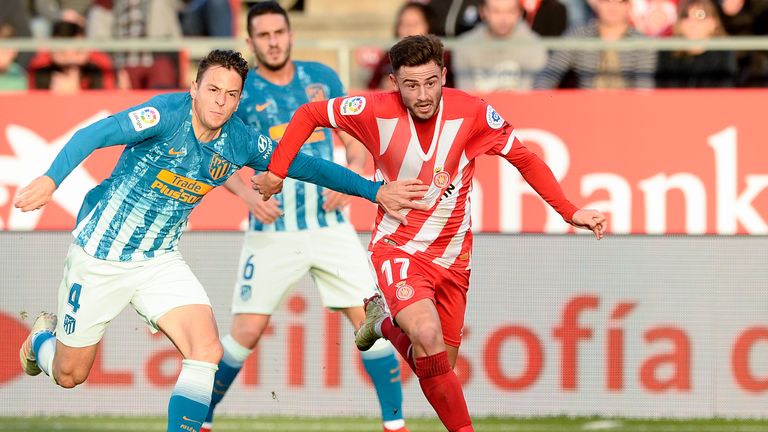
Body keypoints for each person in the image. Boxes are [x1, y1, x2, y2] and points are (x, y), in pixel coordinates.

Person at [15, 49, 427, 432]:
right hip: (101, 257)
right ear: (194, 88)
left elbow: (308, 164)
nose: (220, 102)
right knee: (71, 375)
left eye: (231, 95)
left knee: (206, 350)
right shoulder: (164, 115)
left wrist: (374, 191)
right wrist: (51, 179)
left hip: (159, 260)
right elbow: (95, 134)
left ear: (238, 100)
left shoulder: (240, 140)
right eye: (212, 90)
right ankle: (40, 341)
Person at [253, 34, 607, 432]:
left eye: (430, 82)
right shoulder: (373, 111)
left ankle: (384, 323)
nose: (422, 95)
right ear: (393, 82)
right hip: (398, 247)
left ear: (443, 74)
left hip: (454, 257)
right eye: (410, 85)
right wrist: (277, 172)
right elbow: (309, 114)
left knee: (436, 366)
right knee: (425, 332)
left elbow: (523, 157)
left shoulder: (472, 113)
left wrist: (570, 211)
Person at [202, 4, 409, 432]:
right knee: (245, 334)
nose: (273, 41)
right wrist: (247, 196)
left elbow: (357, 138)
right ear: (250, 42)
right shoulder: (240, 89)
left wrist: (353, 176)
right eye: (264, 35)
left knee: (371, 319)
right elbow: (213, 154)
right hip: (272, 228)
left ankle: (395, 425)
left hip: (328, 225)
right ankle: (199, 421)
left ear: (291, 34)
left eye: (279, 32)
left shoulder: (323, 79)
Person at [533, 0, 657, 89]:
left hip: (628, 113)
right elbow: (549, 74)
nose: (613, 6)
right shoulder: (579, 35)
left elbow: (643, 89)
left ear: (629, 5)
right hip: (585, 111)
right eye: (607, 0)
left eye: (621, 1)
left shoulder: (642, 42)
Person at [452, 0, 548, 91]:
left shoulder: (534, 45)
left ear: (519, 13)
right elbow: (466, 96)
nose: (504, 19)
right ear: (483, 12)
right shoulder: (464, 46)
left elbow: (529, 97)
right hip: (479, 108)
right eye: (496, 11)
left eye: (510, 11)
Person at [367, 1, 455, 90]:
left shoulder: (442, 56)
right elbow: (371, 88)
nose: (409, 29)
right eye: (404, 24)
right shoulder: (389, 56)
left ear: (429, 26)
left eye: (415, 24)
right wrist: (383, 87)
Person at [655, 0, 738, 88]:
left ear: (713, 23)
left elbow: (723, 92)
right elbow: (663, 91)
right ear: (679, 24)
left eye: (700, 15)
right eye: (686, 15)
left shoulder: (724, 53)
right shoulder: (667, 51)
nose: (693, 23)